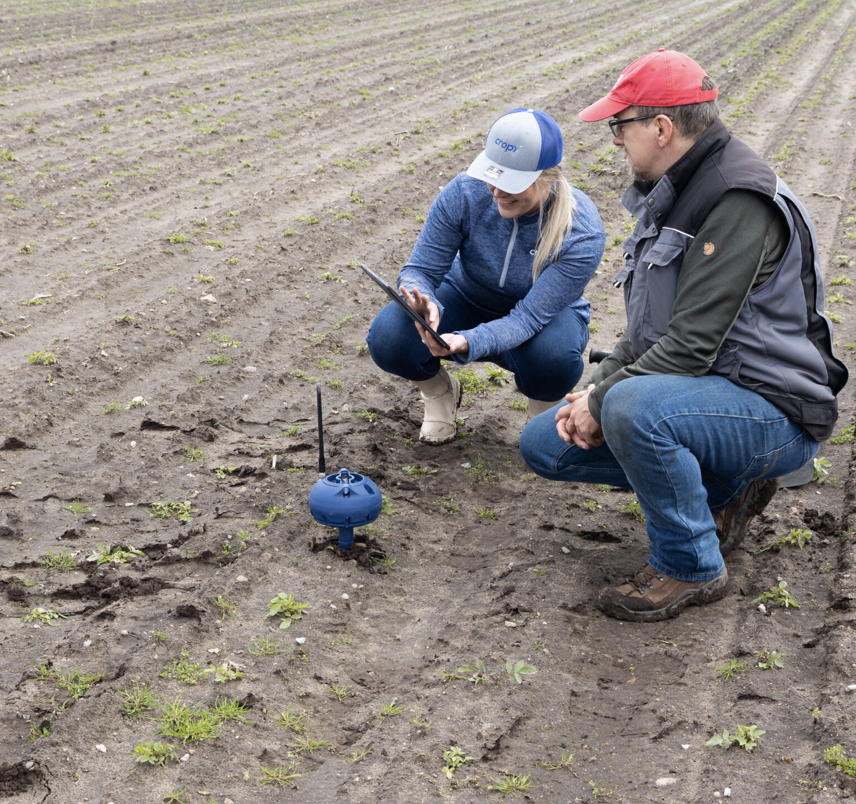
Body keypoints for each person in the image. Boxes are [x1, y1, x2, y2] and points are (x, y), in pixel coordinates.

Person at [519, 49, 848, 622]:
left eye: (620, 126)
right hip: (705, 397)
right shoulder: (678, 191)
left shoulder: (735, 200)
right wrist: (594, 387)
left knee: (632, 408)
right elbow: (651, 330)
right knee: (546, 443)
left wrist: (605, 398)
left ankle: (690, 564)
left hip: (774, 409)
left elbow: (691, 347)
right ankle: (723, 492)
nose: (615, 140)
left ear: (662, 128)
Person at [366, 107, 606, 444]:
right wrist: (421, 299)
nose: (496, 191)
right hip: (466, 295)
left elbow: (527, 319)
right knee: (390, 336)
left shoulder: (581, 232)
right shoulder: (465, 191)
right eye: (494, 175)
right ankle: (438, 394)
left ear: (549, 177)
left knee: (554, 359)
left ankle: (544, 419)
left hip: (539, 317)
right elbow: (420, 268)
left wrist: (469, 341)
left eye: (511, 182)